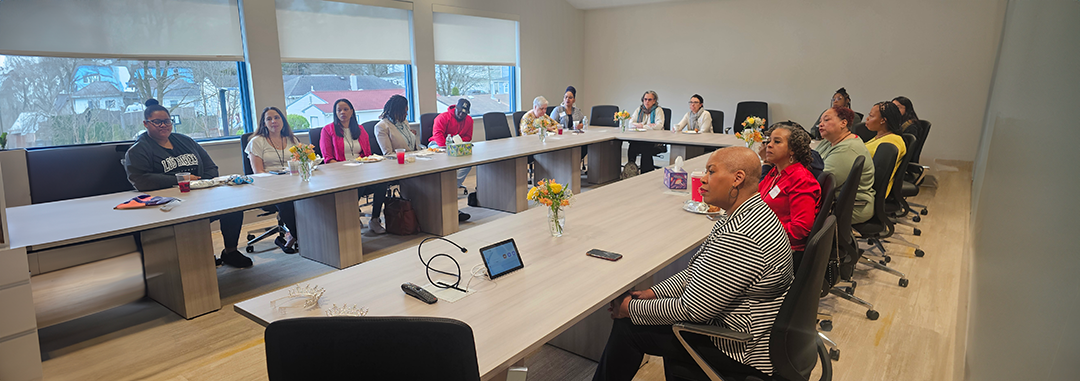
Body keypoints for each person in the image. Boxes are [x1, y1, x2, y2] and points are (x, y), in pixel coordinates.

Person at [592, 147, 793, 381]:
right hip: (749, 327)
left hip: (740, 346)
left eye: (711, 172)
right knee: (646, 317)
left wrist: (628, 308)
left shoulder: (741, 236)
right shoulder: (748, 213)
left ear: (737, 179)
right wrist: (653, 292)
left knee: (628, 328)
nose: (703, 179)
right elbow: (696, 273)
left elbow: (693, 310)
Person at [124, 99, 251, 268]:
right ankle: (199, 256)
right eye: (157, 122)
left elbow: (211, 167)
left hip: (200, 195)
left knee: (232, 208)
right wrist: (181, 180)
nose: (163, 125)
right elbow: (140, 180)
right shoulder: (138, 150)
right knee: (191, 219)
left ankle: (230, 252)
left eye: (167, 121)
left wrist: (202, 183)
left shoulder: (185, 141)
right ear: (146, 124)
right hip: (168, 203)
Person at [320, 98, 389, 234]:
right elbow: (328, 159)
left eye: (346, 109)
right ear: (335, 113)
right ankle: (350, 216)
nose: (342, 112)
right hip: (340, 172)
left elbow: (367, 154)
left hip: (361, 170)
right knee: (359, 184)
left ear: (351, 111)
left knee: (382, 182)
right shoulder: (327, 130)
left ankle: (374, 220)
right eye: (339, 110)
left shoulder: (360, 130)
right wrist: (347, 168)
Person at [759, 122, 821, 271]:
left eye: (777, 141)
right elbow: (756, 198)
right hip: (766, 240)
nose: (769, 145)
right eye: (769, 141)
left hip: (783, 252)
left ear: (793, 150)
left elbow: (800, 228)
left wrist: (761, 236)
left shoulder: (801, 180)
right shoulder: (776, 172)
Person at [245, 106, 301, 254]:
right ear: (264, 124)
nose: (273, 121)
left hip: (293, 184)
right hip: (269, 187)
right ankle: (298, 235)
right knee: (286, 201)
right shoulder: (257, 142)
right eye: (268, 119)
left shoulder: (292, 140)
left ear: (283, 120)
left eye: (277, 117)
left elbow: (300, 163)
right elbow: (258, 172)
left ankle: (294, 234)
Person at [814, 106, 875, 224]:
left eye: (826, 120)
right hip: (831, 200)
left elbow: (823, 183)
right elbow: (809, 161)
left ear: (843, 123)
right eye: (820, 121)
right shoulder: (829, 141)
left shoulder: (849, 148)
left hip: (851, 207)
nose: (820, 124)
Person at [432, 98, 474, 222]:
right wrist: (446, 148)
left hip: (457, 146)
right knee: (443, 159)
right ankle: (448, 194)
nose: (461, 115)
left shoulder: (469, 120)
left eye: (464, 113)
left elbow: (468, 137)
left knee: (468, 162)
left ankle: (451, 186)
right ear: (455, 108)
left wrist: (458, 144)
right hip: (437, 145)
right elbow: (437, 134)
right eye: (460, 111)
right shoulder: (442, 118)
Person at [864, 102, 907, 197]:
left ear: (883, 120)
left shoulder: (892, 142)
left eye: (871, 116)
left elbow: (878, 173)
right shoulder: (880, 136)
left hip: (870, 191)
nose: (867, 119)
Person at [626, 90, 665, 173]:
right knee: (632, 145)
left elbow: (659, 126)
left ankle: (646, 172)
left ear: (654, 101)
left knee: (645, 148)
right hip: (639, 138)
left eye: (649, 99)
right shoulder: (639, 110)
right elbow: (630, 123)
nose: (647, 101)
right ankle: (630, 170)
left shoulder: (658, 110)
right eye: (645, 99)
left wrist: (642, 126)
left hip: (654, 140)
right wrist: (649, 126)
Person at [549, 86, 588, 166]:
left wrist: (581, 125)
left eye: (570, 98)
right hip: (561, 137)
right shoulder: (558, 110)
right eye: (566, 97)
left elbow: (584, 121)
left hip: (574, 137)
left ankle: (575, 163)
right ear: (563, 99)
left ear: (574, 100)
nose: (567, 99)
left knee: (585, 146)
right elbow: (550, 123)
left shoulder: (577, 111)